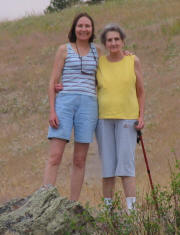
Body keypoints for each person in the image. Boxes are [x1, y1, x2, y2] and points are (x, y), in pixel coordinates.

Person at [43, 12, 100, 201]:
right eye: (80, 26)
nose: (83, 29)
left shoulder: (97, 51)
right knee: (55, 156)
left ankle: (72, 203)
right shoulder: (64, 49)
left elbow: (114, 62)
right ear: (74, 28)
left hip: (89, 104)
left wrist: (127, 54)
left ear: (92, 30)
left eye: (87, 26)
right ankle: (44, 200)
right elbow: (53, 81)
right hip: (65, 103)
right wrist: (52, 109)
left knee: (79, 159)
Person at [96, 24, 145, 211]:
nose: (113, 42)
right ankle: (108, 212)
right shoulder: (99, 63)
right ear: (105, 43)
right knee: (108, 168)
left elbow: (141, 92)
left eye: (117, 39)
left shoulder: (133, 60)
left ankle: (131, 212)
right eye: (109, 40)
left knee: (125, 166)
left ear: (123, 41)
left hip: (127, 119)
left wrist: (141, 116)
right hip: (103, 120)